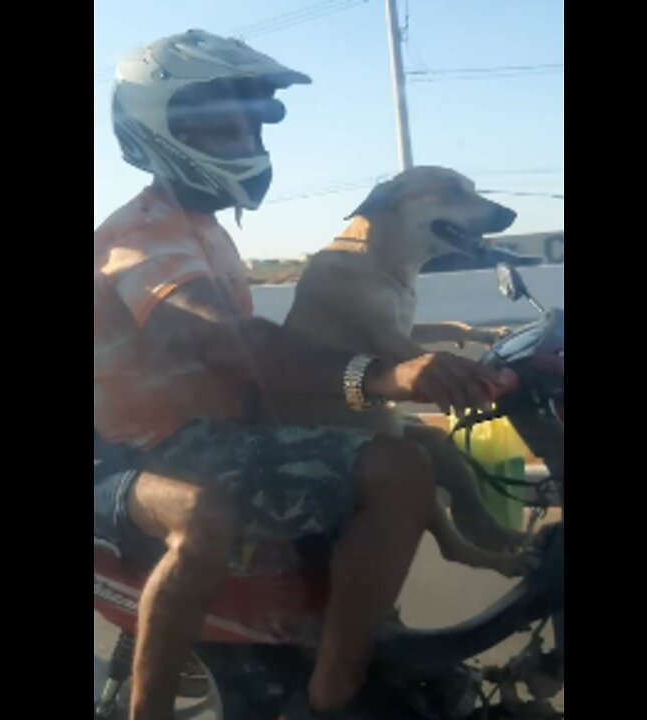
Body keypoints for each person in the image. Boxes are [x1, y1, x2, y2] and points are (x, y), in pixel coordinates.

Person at [94, 30, 515, 720]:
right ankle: (321, 693)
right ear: (162, 128)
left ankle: (374, 634)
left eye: (250, 126)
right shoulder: (140, 237)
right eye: (223, 127)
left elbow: (271, 353)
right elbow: (222, 341)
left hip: (227, 434)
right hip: (151, 447)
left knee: (412, 452)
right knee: (380, 472)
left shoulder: (205, 229)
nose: (245, 141)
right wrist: (378, 376)